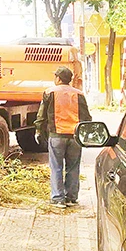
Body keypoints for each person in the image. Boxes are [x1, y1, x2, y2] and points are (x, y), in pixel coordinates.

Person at [34, 66, 92, 208]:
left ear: (58, 79)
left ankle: (58, 199)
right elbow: (87, 117)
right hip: (75, 136)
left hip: (57, 136)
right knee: (73, 167)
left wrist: (38, 131)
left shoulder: (49, 92)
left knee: (56, 167)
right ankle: (71, 198)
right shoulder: (79, 94)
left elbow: (41, 116)